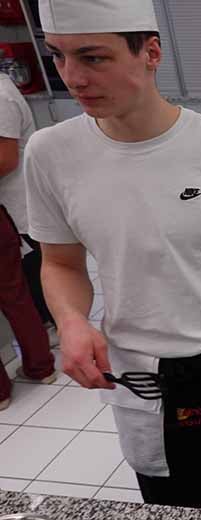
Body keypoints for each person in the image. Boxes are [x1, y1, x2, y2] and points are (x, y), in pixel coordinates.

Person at [25, 0, 201, 516]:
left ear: (151, 52)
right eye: (58, 56)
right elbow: (61, 263)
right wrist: (70, 321)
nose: (73, 77)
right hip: (143, 369)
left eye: (93, 57)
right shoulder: (50, 153)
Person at [0, 71, 58, 409]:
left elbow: (6, 159)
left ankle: (43, 356)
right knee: (20, 293)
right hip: (9, 213)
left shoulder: (1, 95)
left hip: (17, 207)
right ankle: (42, 359)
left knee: (27, 286)